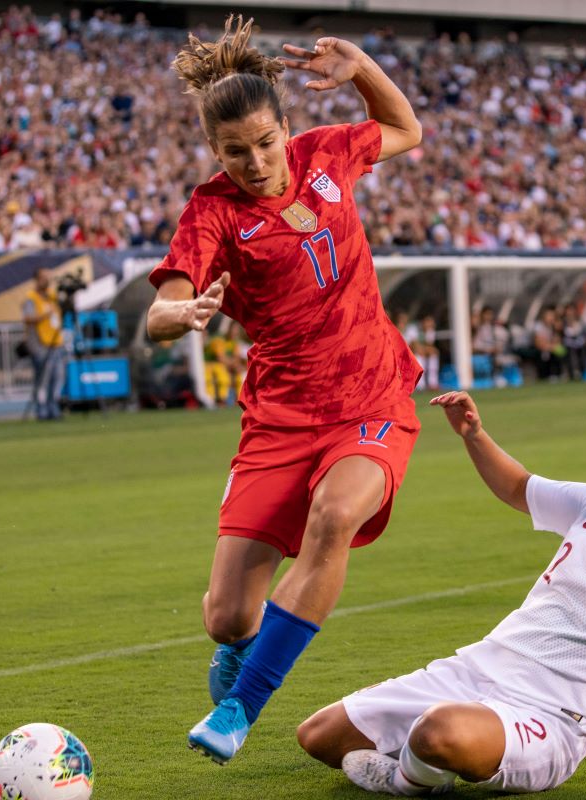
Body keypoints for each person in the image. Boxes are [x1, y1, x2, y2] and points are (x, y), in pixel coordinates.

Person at [144, 16, 423, 765]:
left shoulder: (327, 152)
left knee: (335, 516)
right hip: (280, 414)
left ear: (284, 128)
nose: (256, 161)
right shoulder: (212, 211)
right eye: (235, 152)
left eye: (265, 143)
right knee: (228, 615)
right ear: (214, 151)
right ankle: (239, 653)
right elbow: (161, 307)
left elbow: (405, 128)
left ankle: (241, 710)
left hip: (371, 396)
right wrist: (185, 311)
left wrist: (362, 63)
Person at [298, 391, 586, 799]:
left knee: (438, 731)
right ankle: (427, 762)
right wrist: (474, 434)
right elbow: (517, 487)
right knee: (318, 735)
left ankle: (407, 781)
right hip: (478, 672)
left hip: (553, 720)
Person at [22, 267, 65, 421]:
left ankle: (54, 408)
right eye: (43, 277)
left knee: (57, 377)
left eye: (48, 277)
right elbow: (27, 318)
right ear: (36, 280)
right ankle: (42, 410)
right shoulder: (31, 297)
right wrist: (43, 316)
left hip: (56, 342)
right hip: (41, 344)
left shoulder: (53, 296)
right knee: (43, 380)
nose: (47, 280)